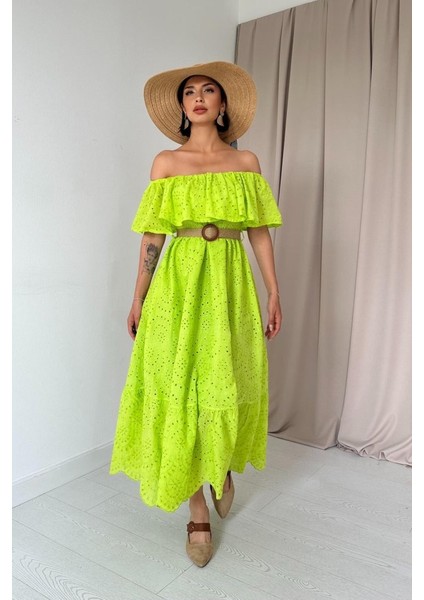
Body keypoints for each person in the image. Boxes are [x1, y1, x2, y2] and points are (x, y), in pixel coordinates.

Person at [110, 61, 283, 568]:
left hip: (229, 283)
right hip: (177, 285)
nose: (199, 98)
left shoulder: (245, 161)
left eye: (209, 90)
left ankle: (220, 465)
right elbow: (153, 235)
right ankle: (197, 511)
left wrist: (274, 290)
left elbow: (258, 231)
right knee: (178, 384)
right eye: (190, 93)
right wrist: (138, 296)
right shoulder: (166, 162)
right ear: (183, 107)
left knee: (223, 378)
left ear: (223, 104)